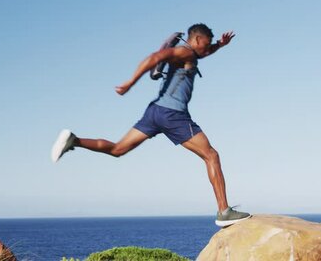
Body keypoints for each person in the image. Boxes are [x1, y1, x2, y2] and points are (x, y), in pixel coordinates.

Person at [51, 23, 251, 227]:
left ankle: (74, 140)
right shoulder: (184, 52)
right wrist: (130, 82)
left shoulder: (190, 55)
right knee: (211, 156)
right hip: (174, 115)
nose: (207, 49)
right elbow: (155, 58)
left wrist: (219, 45)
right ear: (197, 40)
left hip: (154, 111)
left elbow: (203, 54)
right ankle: (224, 211)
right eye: (206, 44)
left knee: (118, 149)